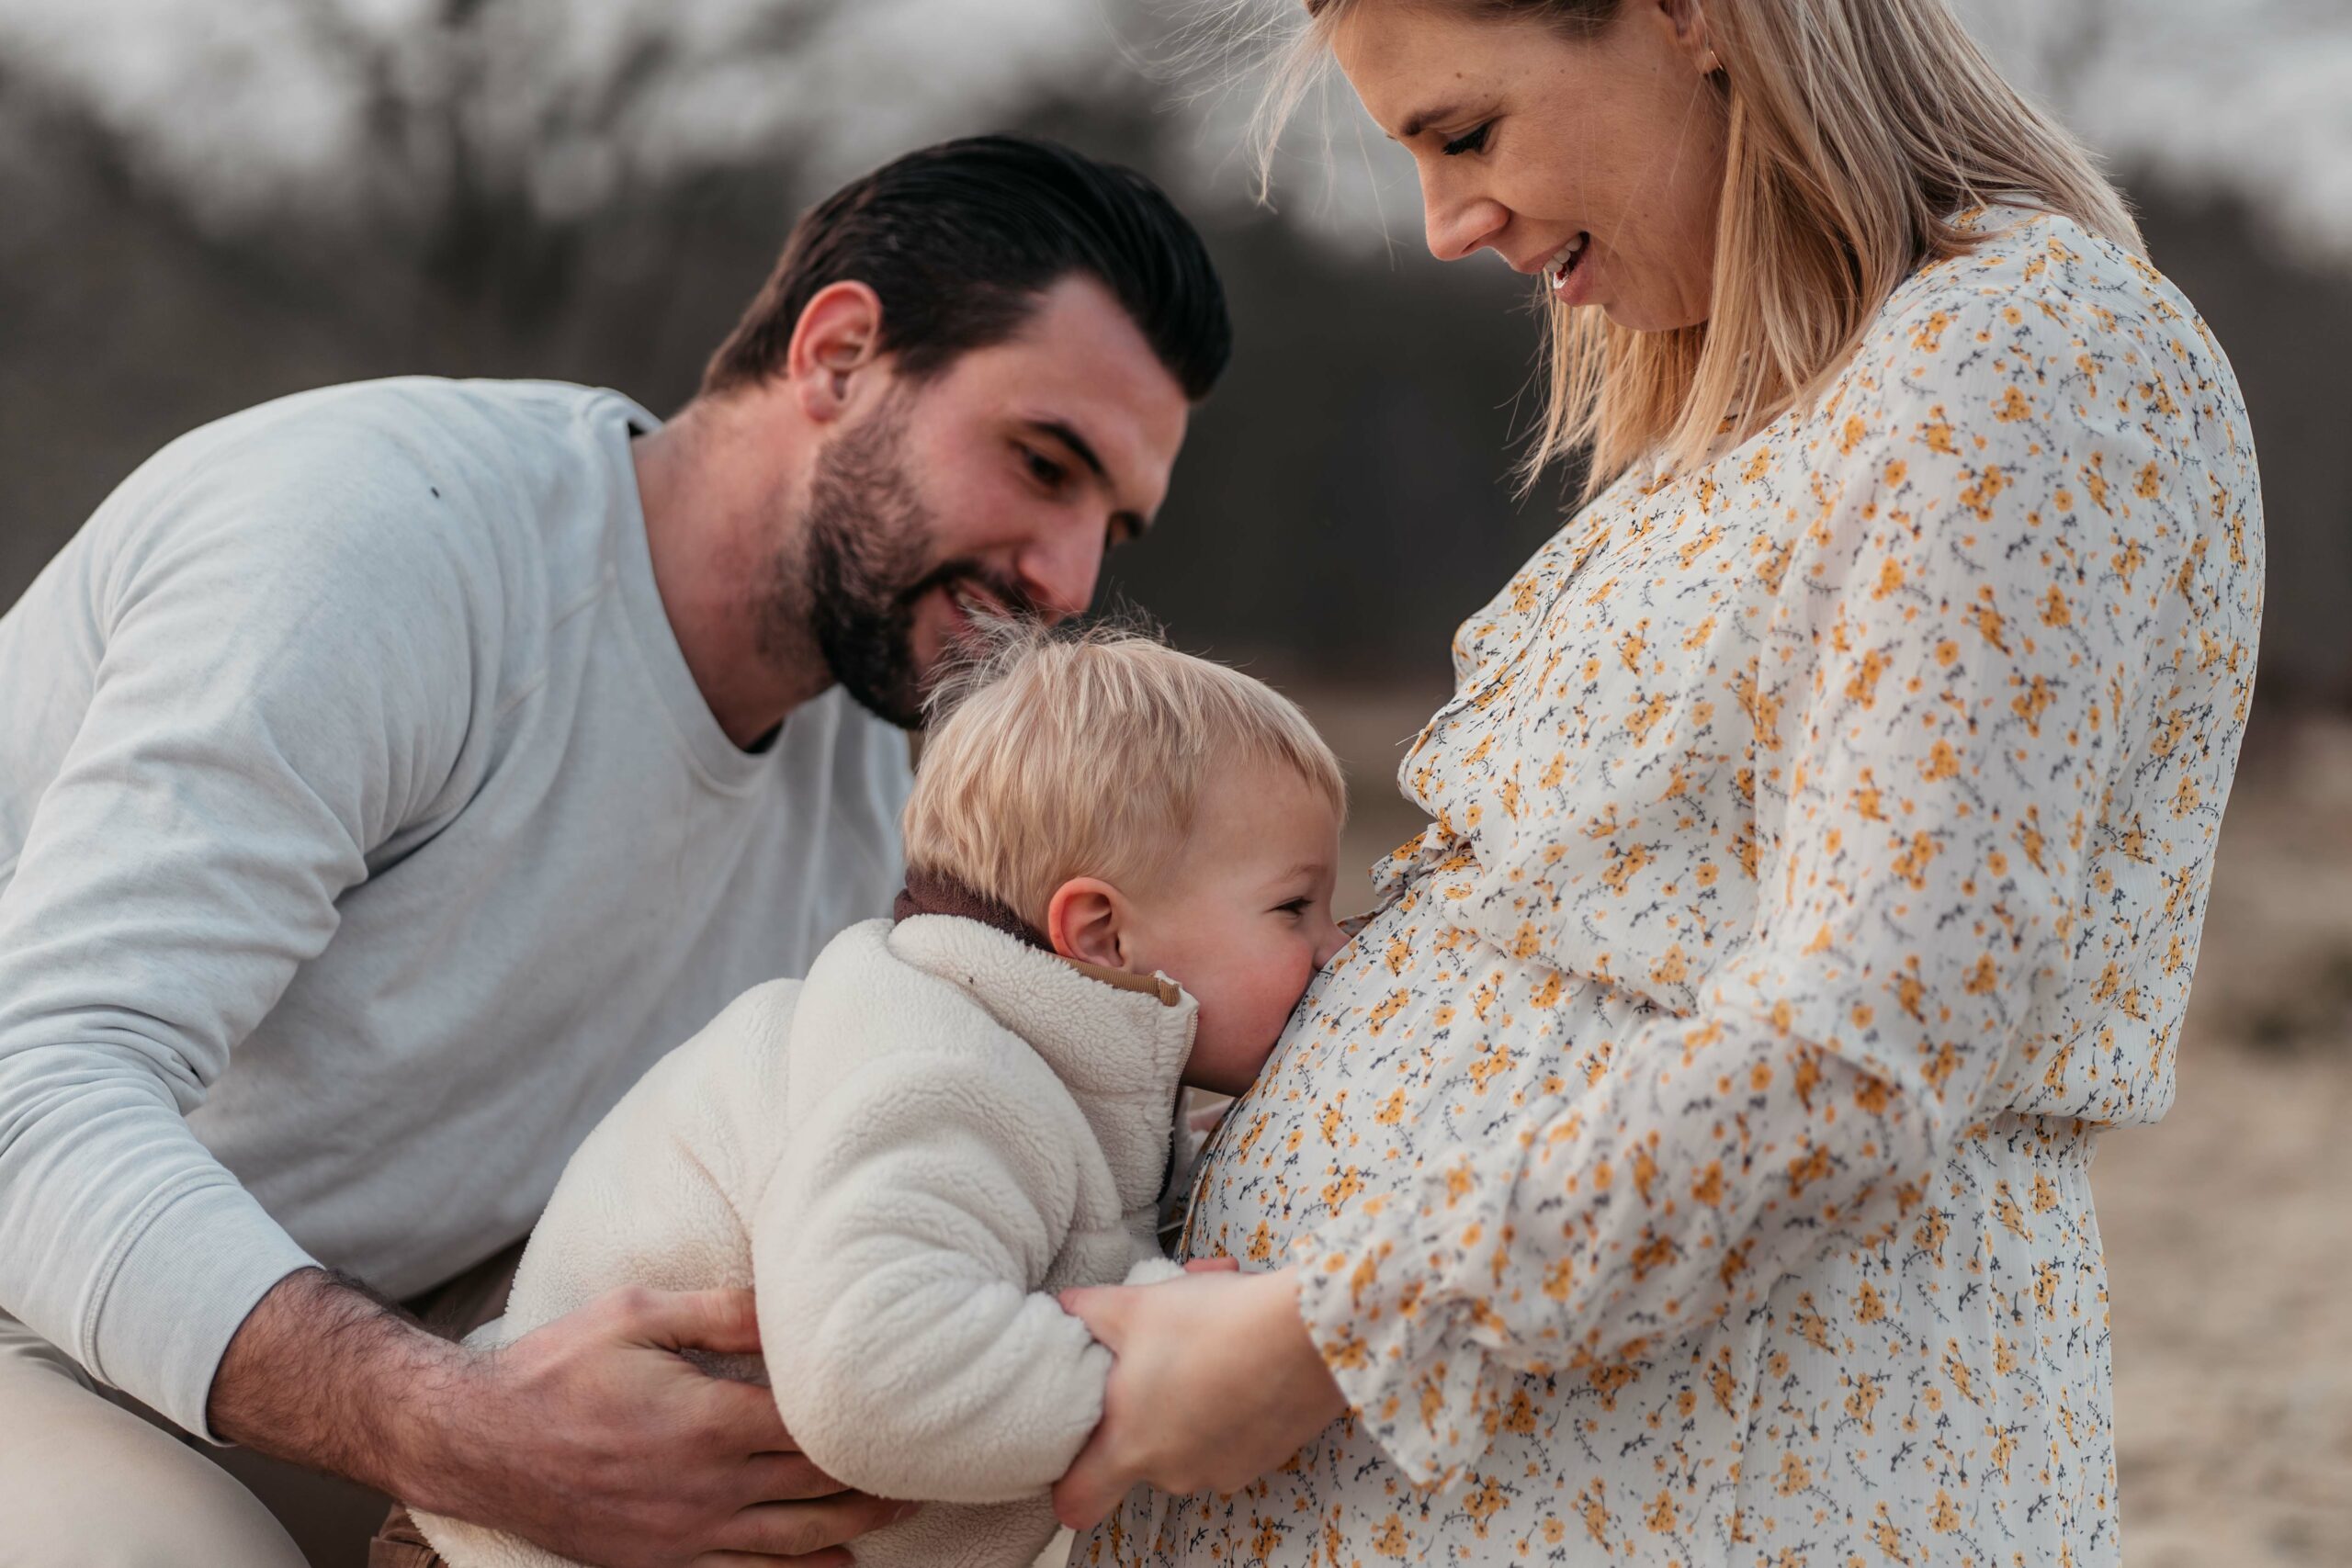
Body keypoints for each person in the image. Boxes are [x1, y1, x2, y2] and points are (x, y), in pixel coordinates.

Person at [1045, 4, 2265, 1566]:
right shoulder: (1778, 409)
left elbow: (1880, 1027)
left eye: (1466, 133)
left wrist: (1325, 1340)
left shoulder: (2020, 353)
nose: (1442, 227)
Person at [0, 134, 1229, 1566]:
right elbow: (29, 1093)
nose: (1067, 582)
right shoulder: (380, 545)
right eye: (1042, 462)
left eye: (1111, 523)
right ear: (837, 354)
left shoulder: (865, 801)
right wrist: (462, 1430)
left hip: (304, 1376)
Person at [391, 625, 1349, 1568]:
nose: (1333, 946)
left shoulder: (1044, 1062)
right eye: (1292, 906)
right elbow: (872, 1371)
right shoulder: (941, 1074)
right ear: (1100, 934)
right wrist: (1156, 1372)